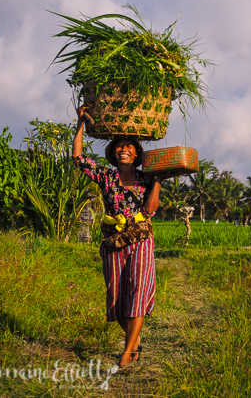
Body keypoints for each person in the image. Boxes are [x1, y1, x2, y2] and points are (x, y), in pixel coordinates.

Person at [72, 108, 180, 367]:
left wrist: (158, 183)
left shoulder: (146, 178)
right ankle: (135, 340)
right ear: (114, 153)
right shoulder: (106, 177)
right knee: (117, 297)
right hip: (113, 242)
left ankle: (126, 351)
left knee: (139, 293)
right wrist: (79, 124)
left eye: (129, 147)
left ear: (137, 153)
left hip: (141, 238)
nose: (124, 150)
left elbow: (151, 208)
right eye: (119, 147)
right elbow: (77, 157)